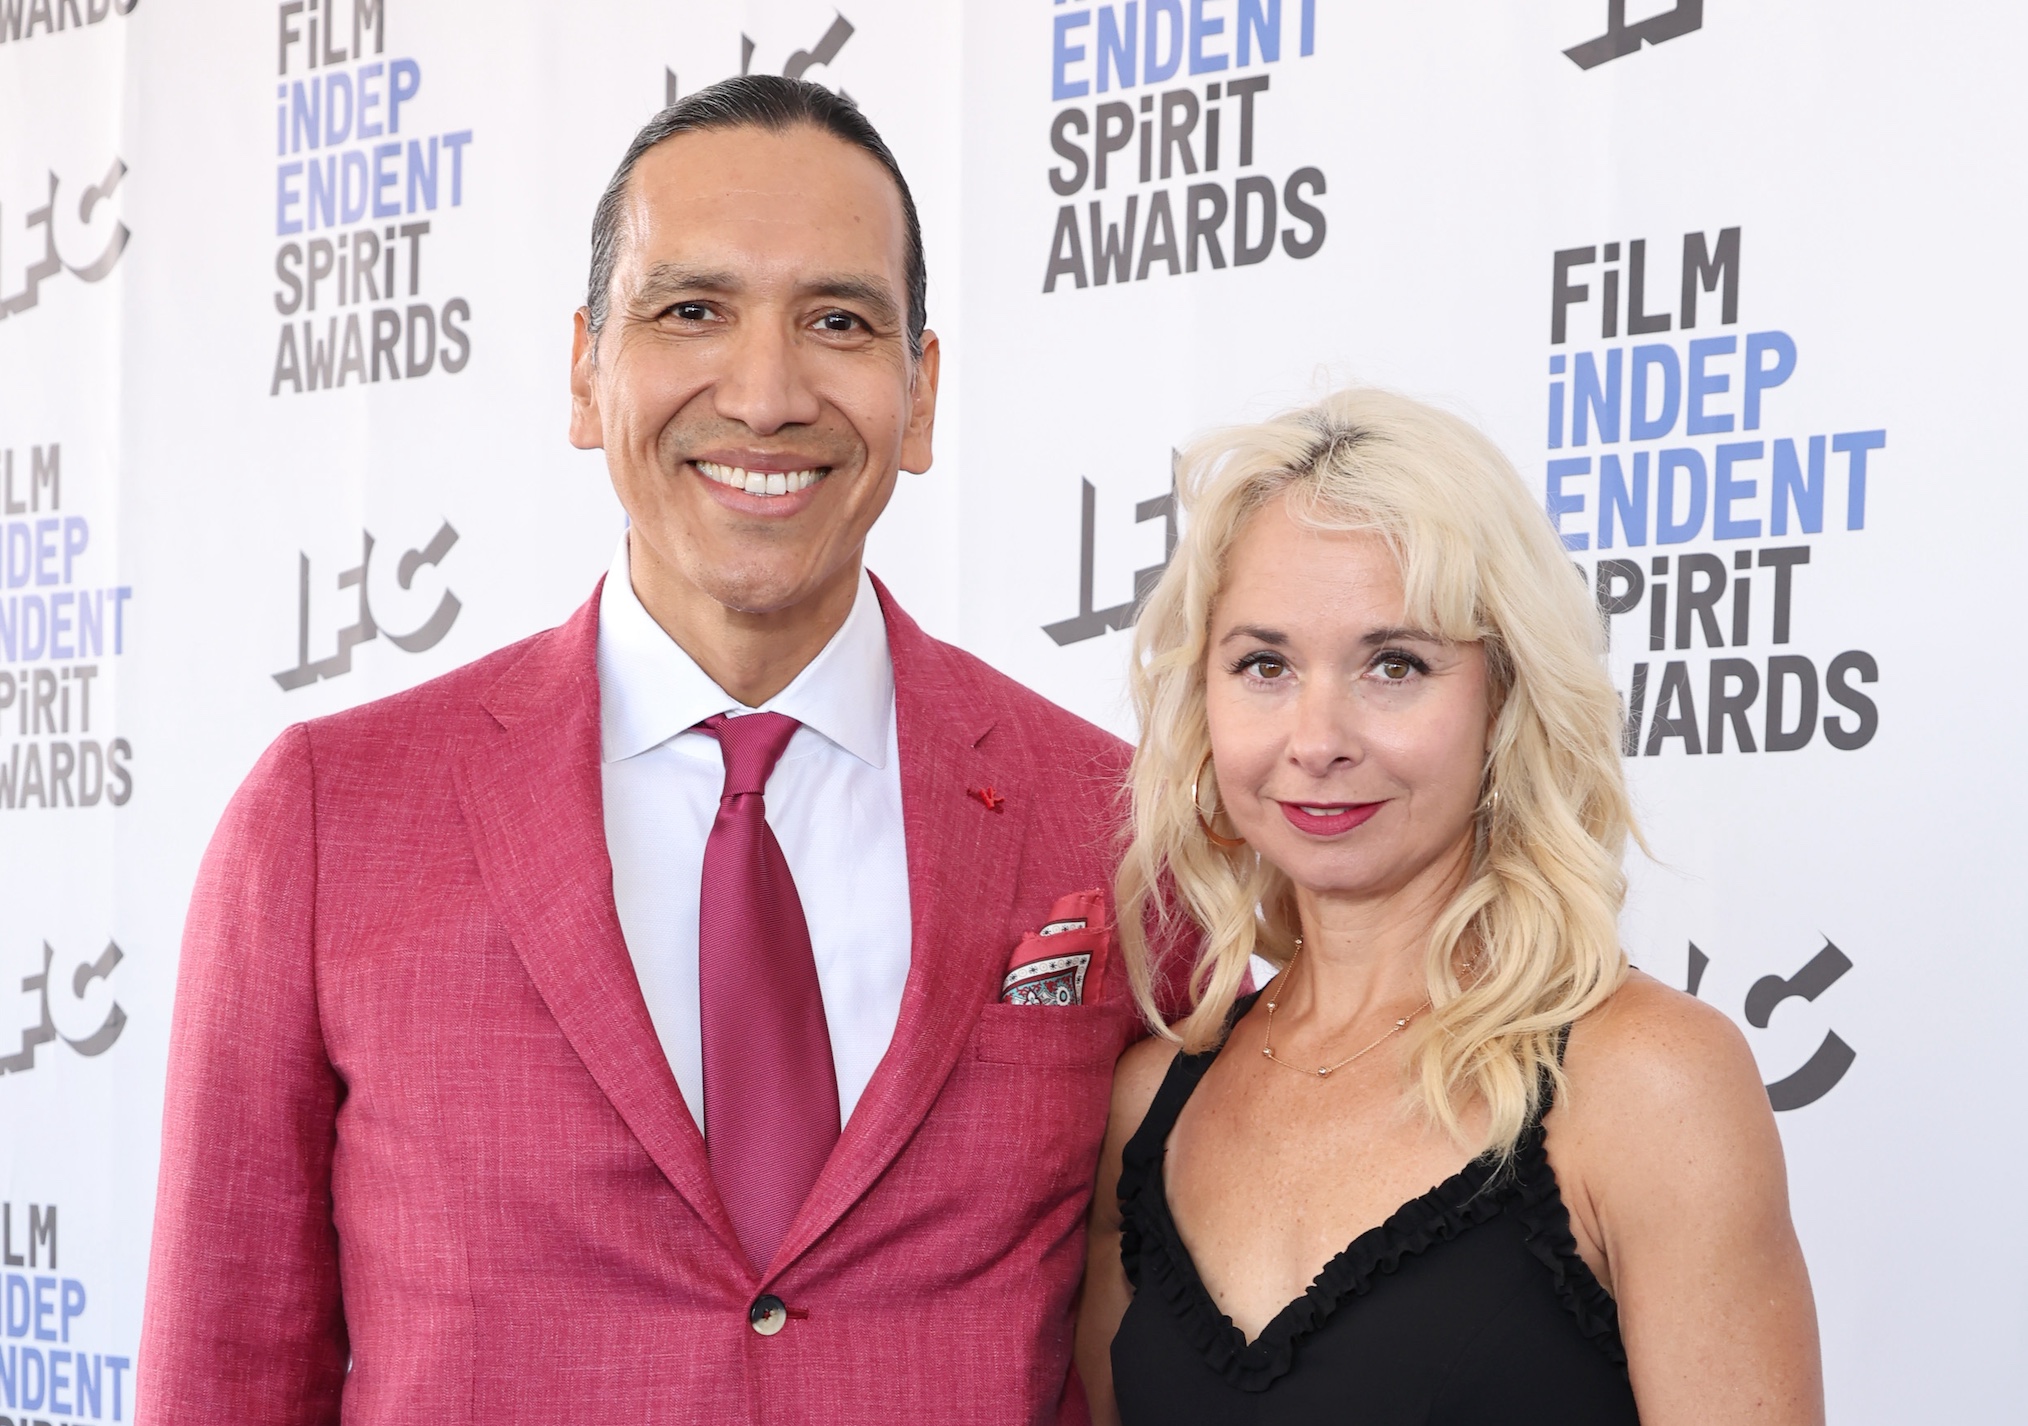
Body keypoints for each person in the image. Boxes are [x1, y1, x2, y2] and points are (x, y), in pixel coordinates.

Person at [140, 77, 1153, 1424]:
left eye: (839, 321)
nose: (768, 392)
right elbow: (225, 1374)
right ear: (584, 370)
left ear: (919, 394)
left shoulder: (1115, 816)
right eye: (692, 312)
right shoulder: (325, 818)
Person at [1075, 389, 1825, 1425]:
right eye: (1264, 664)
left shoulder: (1648, 1084)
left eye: (1395, 665)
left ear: (1504, 700)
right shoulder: (1146, 1107)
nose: (1319, 736)